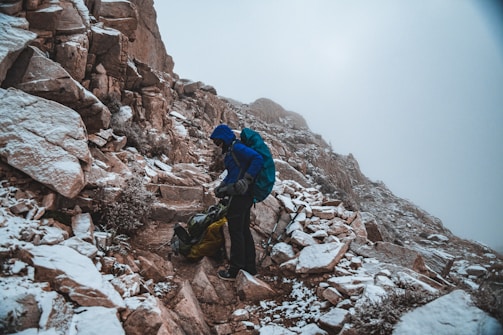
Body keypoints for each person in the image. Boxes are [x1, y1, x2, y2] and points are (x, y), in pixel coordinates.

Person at [210, 124, 264, 280]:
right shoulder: (230, 151)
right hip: (242, 195)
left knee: (236, 232)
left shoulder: (237, 148)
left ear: (225, 138)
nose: (217, 145)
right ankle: (250, 268)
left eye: (218, 141)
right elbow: (233, 174)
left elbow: (257, 158)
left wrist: (247, 179)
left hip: (241, 195)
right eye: (215, 143)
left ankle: (234, 270)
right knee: (243, 230)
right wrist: (222, 186)